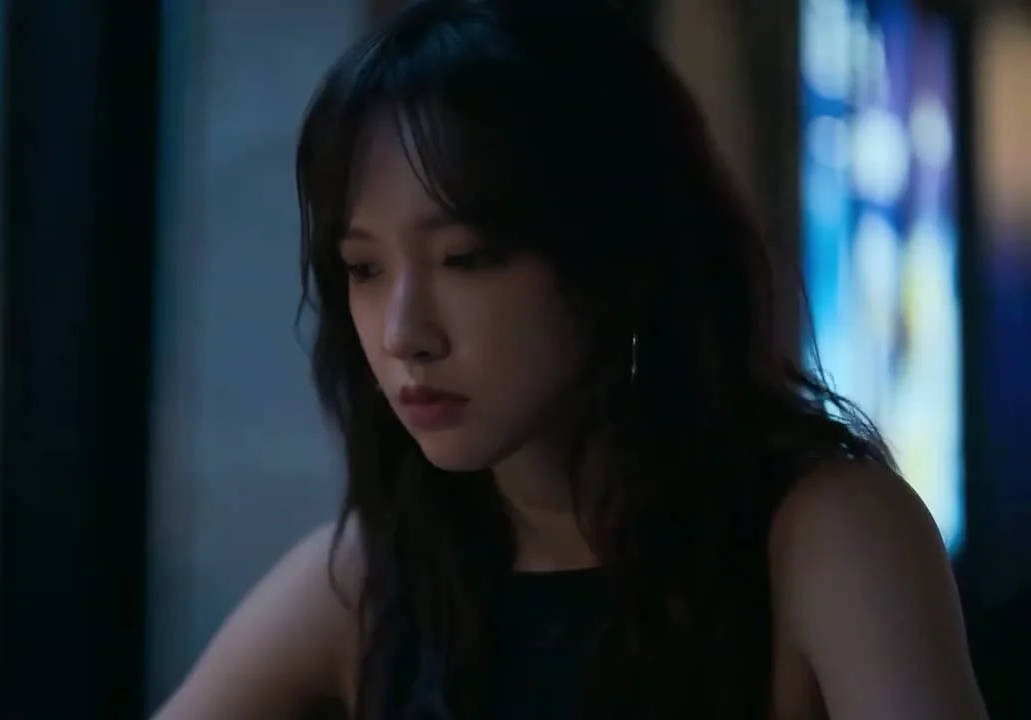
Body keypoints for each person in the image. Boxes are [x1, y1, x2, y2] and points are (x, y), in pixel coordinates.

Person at [155, 0, 987, 717]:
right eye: (364, 269)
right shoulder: (377, 578)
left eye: (467, 258)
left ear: (612, 257)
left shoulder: (821, 535)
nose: (404, 332)